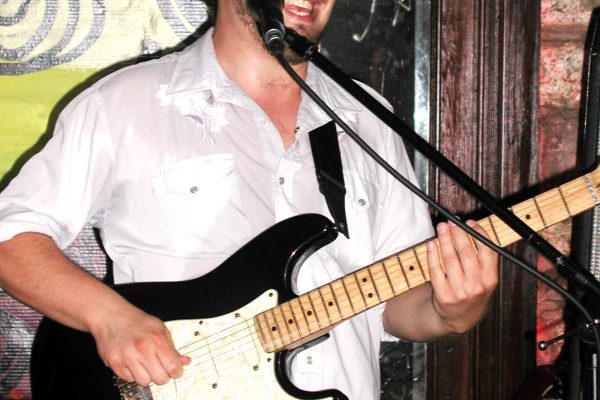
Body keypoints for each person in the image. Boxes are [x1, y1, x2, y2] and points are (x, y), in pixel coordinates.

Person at [0, 0, 499, 399]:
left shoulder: (368, 120)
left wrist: (451, 310)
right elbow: (10, 238)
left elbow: (394, 306)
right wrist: (109, 316)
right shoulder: (125, 104)